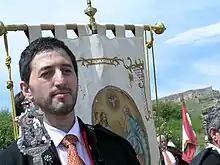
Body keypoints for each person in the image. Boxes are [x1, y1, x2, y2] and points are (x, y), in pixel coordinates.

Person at [0, 37, 141, 165]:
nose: (61, 81)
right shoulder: (13, 160)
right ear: (27, 90)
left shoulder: (116, 148)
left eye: (66, 70)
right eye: (46, 73)